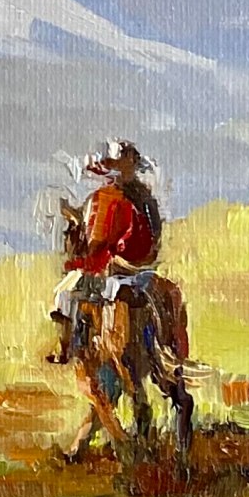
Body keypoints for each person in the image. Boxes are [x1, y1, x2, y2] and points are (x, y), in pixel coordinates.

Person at [50, 139, 163, 364]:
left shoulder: (110, 199)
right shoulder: (132, 198)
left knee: (64, 293)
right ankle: (68, 346)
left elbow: (95, 240)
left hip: (119, 265)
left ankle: (65, 348)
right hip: (127, 263)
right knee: (67, 291)